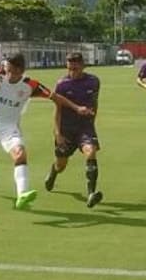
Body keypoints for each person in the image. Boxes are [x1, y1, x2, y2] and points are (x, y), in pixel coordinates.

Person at [0, 53, 93, 210]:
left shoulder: (30, 85)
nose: (9, 74)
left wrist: (77, 108)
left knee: (20, 154)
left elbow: (56, 98)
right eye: (7, 69)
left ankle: (22, 194)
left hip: (9, 127)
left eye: (13, 71)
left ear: (21, 71)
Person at [43, 52, 103, 208]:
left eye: (75, 68)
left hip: (85, 127)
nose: (72, 72)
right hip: (66, 129)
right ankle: (54, 171)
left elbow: (94, 103)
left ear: (82, 66)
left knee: (91, 152)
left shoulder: (94, 81)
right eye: (70, 68)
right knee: (61, 165)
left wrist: (92, 122)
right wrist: (57, 133)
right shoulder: (62, 84)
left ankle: (91, 193)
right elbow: (58, 110)